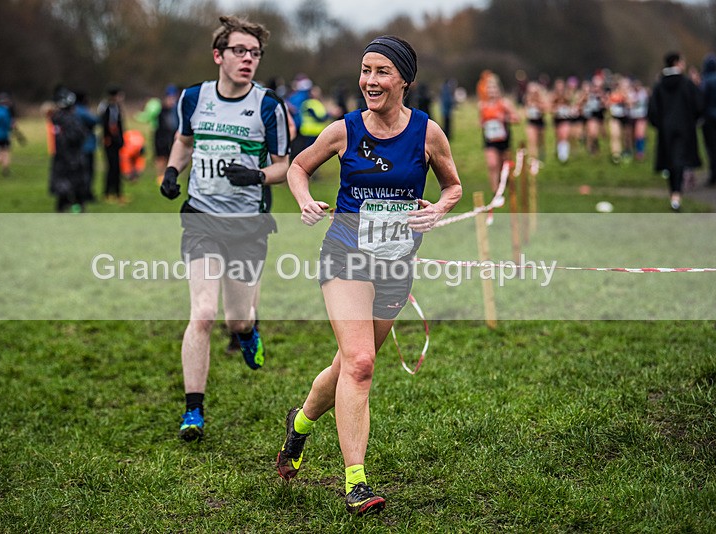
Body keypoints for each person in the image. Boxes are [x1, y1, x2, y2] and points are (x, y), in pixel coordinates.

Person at [275, 35, 462, 516]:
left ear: (404, 80)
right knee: (360, 364)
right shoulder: (344, 130)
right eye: (365, 70)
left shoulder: (427, 133)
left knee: (344, 366)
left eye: (381, 71)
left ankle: (300, 424)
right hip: (345, 256)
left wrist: (437, 208)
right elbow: (298, 167)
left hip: (396, 264)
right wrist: (304, 200)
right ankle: (356, 482)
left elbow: (454, 186)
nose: (370, 81)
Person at [159, 15, 290, 443]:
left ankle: (249, 332)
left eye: (254, 53)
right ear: (219, 55)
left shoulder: (269, 106)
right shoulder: (194, 98)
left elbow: (284, 166)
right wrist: (172, 172)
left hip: (248, 225)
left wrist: (257, 177)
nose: (248, 59)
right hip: (201, 217)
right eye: (239, 51)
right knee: (203, 313)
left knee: (236, 318)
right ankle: (193, 410)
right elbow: (184, 139)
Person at [648, 52, 703, 211]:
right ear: (677, 63)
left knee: (670, 162)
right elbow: (699, 105)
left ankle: (674, 193)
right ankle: (677, 195)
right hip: (684, 128)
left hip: (666, 129)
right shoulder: (687, 84)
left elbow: (652, 110)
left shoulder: (659, 86)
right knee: (679, 160)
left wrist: (659, 124)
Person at [479, 77, 518, 224]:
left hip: (504, 140)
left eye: (494, 89)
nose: (492, 91)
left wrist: (505, 118)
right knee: (492, 164)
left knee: (503, 167)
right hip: (490, 140)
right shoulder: (482, 105)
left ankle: (503, 187)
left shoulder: (504, 104)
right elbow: (481, 122)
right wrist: (487, 124)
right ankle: (496, 195)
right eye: (489, 89)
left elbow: (517, 118)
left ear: (498, 90)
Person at [50, 88, 88, 213]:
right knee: (76, 184)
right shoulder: (69, 119)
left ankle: (63, 207)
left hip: (61, 156)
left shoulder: (57, 118)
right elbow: (78, 136)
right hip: (72, 157)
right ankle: (76, 207)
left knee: (63, 184)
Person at [100, 85, 126, 204]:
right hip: (110, 143)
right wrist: (115, 139)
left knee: (116, 168)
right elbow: (109, 126)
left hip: (116, 143)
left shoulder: (116, 107)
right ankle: (109, 193)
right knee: (112, 168)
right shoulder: (108, 108)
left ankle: (117, 192)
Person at [700, 53, 716, 187]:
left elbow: (702, 100)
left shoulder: (706, 81)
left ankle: (714, 174)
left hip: (710, 118)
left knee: (712, 147)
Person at [74, 92, 99, 202]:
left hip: (75, 147)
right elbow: (94, 121)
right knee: (87, 171)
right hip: (86, 146)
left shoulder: (72, 110)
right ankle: (86, 193)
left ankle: (77, 192)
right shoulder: (82, 111)